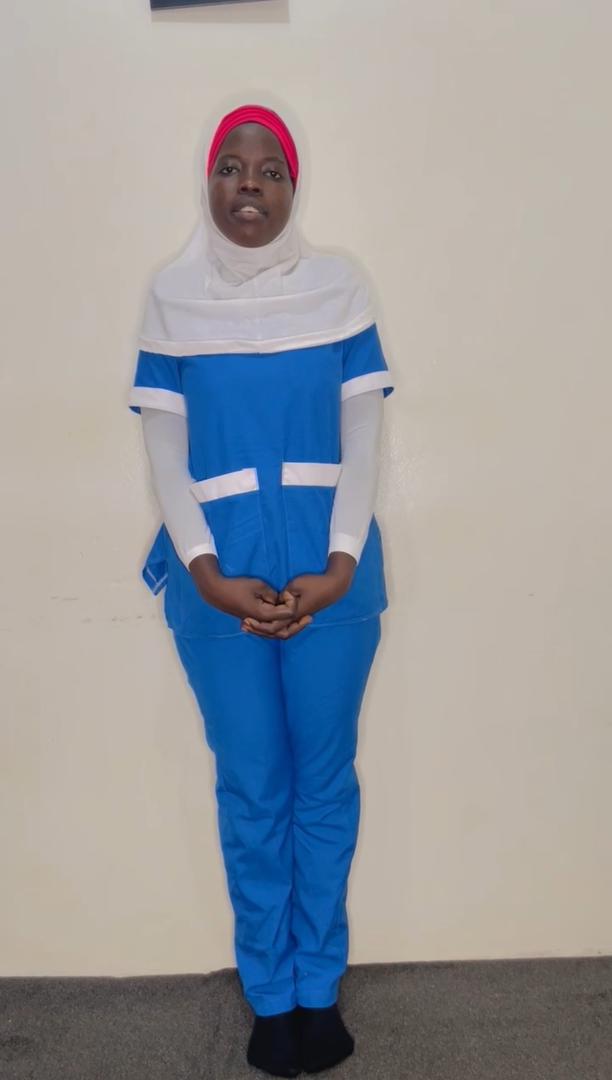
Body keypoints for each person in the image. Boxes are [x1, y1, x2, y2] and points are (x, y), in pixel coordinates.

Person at [128, 102, 394, 1078]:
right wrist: (206, 575)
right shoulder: (171, 301)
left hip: (335, 579)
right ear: (209, 182)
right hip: (217, 585)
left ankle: (318, 988)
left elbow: (362, 439)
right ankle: (270, 996)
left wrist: (340, 566)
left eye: (271, 170)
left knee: (324, 785)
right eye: (232, 168)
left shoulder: (341, 291)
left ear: (293, 187)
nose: (250, 186)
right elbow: (165, 452)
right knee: (254, 790)